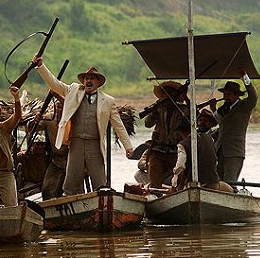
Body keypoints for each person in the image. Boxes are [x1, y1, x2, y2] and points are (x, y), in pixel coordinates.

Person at [32, 53, 134, 195]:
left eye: (92, 78)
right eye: (86, 78)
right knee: (71, 182)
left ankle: (100, 205)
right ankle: (72, 207)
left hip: (94, 144)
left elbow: (118, 126)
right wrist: (40, 66)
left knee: (100, 182)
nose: (89, 80)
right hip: (76, 142)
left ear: (98, 82)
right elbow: (54, 83)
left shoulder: (108, 101)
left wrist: (128, 146)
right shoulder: (73, 90)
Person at [209, 68, 258, 182]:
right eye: (225, 94)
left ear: (236, 95)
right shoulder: (224, 109)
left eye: (229, 94)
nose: (226, 96)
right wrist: (213, 109)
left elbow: (253, 97)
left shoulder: (244, 107)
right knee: (217, 182)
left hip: (234, 152)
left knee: (229, 182)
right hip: (220, 151)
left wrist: (245, 77)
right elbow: (222, 123)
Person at [144, 81, 190, 188]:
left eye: (171, 94)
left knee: (179, 183)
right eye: (165, 94)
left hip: (176, 152)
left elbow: (193, 116)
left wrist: (186, 98)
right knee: (155, 182)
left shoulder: (182, 109)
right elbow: (147, 124)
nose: (168, 96)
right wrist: (154, 110)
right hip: (158, 151)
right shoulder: (158, 109)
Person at [171, 118, 233, 193]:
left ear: (181, 132)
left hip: (193, 186)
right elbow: (214, 160)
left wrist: (174, 186)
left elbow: (180, 167)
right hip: (213, 183)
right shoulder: (209, 138)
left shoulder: (183, 145)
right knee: (227, 188)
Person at [33, 96, 69, 200]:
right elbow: (33, 128)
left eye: (63, 107)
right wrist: (36, 120)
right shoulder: (49, 119)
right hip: (56, 160)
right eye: (58, 107)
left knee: (72, 189)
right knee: (47, 189)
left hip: (71, 160)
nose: (60, 110)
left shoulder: (73, 119)